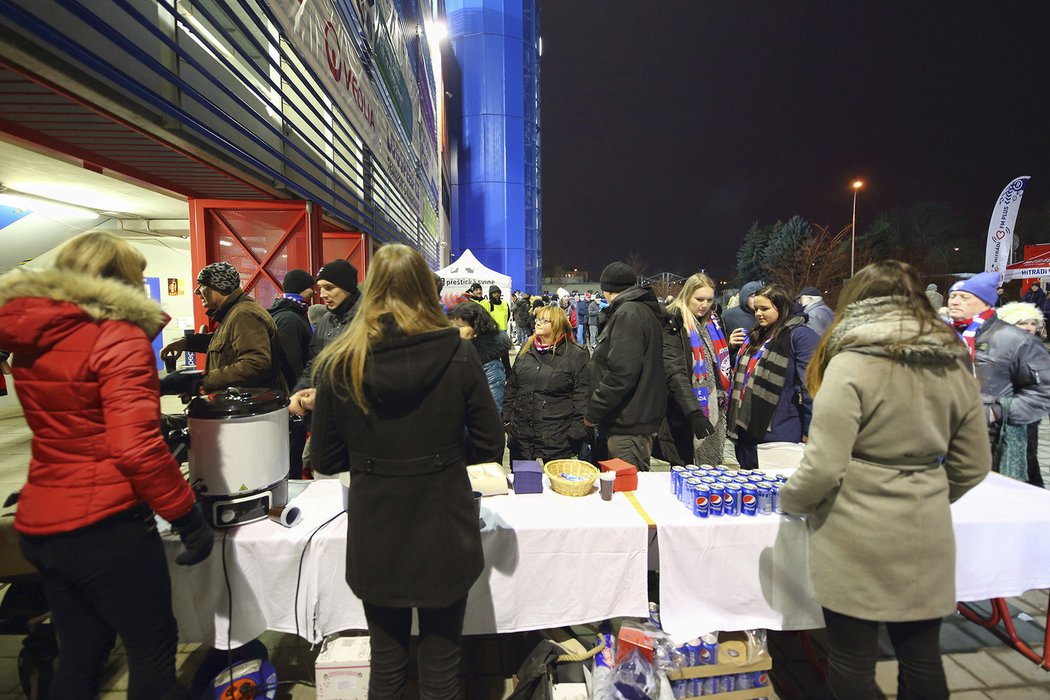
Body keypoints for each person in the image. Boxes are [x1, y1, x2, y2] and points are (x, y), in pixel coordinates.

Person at [0, 231, 213, 699]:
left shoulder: (34, 338)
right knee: (152, 650)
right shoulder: (118, 337)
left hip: (43, 522)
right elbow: (134, 446)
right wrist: (185, 513)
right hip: (106, 526)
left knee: (80, 652)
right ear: (122, 282)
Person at [779, 260, 991, 700]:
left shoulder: (851, 361)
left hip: (854, 529)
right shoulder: (954, 362)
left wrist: (792, 501)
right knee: (922, 656)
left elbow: (824, 464)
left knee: (852, 658)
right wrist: (924, 491)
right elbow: (973, 464)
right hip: (924, 526)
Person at [309, 244, 505, 699]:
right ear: (427, 289)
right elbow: (490, 445)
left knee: (388, 664)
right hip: (443, 528)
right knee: (441, 668)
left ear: (371, 289)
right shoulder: (458, 355)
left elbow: (325, 459)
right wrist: (442, 455)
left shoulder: (343, 360)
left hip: (377, 528)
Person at [946, 272, 1050, 475]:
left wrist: (996, 412)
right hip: (941, 437)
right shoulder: (939, 333)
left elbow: (1043, 392)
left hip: (991, 442)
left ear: (985, 303)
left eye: (964, 297)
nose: (955, 301)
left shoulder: (1016, 340)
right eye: (952, 296)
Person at [726, 284, 819, 469]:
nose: (759, 313)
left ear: (782, 306)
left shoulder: (800, 336)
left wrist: (811, 431)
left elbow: (812, 388)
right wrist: (732, 349)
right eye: (756, 309)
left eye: (765, 309)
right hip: (747, 429)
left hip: (780, 431)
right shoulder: (757, 334)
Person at [585, 262, 667, 470]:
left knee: (627, 492)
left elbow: (621, 373)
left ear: (606, 289)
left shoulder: (628, 313)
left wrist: (594, 411)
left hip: (628, 424)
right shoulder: (637, 309)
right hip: (631, 420)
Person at [161, 261, 285, 394]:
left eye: (202, 285)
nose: (196, 291)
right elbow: (226, 343)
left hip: (250, 408)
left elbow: (255, 365)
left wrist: (202, 380)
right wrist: (186, 343)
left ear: (218, 286)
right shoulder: (235, 312)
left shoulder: (244, 314)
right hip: (242, 405)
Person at [503, 305, 590, 462]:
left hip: (558, 437)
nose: (538, 323)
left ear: (557, 324)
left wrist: (577, 430)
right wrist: (507, 419)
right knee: (523, 485)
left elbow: (582, 395)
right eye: (537, 319)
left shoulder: (576, 354)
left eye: (544, 320)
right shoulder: (526, 349)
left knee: (556, 484)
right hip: (522, 435)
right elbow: (512, 386)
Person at [661, 273, 729, 465]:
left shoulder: (712, 323)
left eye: (709, 300)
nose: (705, 305)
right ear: (687, 296)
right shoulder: (674, 323)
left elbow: (714, 362)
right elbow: (674, 371)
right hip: (684, 409)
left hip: (713, 404)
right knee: (686, 469)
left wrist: (728, 348)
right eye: (699, 299)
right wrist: (695, 413)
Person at [983, 300, 1049, 487]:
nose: (1029, 327)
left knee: (1025, 468)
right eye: (1021, 322)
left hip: (1021, 420)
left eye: (1032, 323)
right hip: (991, 419)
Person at [268, 269, 315, 479]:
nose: (315, 293)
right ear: (304, 291)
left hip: (290, 399)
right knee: (292, 453)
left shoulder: (289, 314)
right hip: (292, 400)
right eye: (312, 289)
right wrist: (300, 395)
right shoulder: (291, 319)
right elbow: (291, 362)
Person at [449, 301, 513, 411]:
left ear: (477, 329)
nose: (454, 331)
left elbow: (492, 409)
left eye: (460, 326)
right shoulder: (453, 353)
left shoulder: (490, 365)